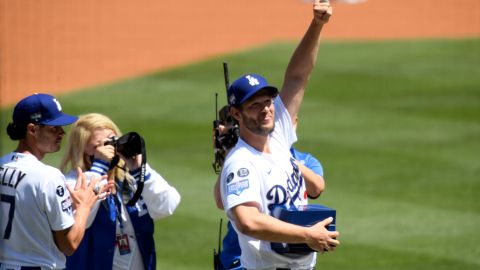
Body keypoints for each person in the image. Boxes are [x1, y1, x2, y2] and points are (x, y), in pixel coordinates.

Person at [219, 1, 339, 269]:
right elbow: (248, 221)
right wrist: (308, 235)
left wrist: (317, 25)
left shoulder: (279, 136)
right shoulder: (240, 163)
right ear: (236, 115)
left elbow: (298, 76)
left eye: (268, 101)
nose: (265, 110)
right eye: (254, 105)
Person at [60, 113, 181, 270]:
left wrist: (140, 169)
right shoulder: (71, 183)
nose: (110, 149)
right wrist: (99, 167)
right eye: (100, 145)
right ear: (83, 150)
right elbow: (79, 222)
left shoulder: (131, 180)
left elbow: (167, 206)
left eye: (113, 140)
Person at [0, 93, 105, 270]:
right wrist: (84, 206)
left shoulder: (2, 165)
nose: (61, 133)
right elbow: (69, 244)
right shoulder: (49, 177)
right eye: (53, 128)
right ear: (32, 129)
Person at [213, 111, 326, 270]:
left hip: (290, 260)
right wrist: (229, 152)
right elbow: (220, 202)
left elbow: (317, 187)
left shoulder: (305, 160)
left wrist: (281, 155)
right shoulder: (242, 158)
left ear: (293, 123)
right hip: (238, 258)